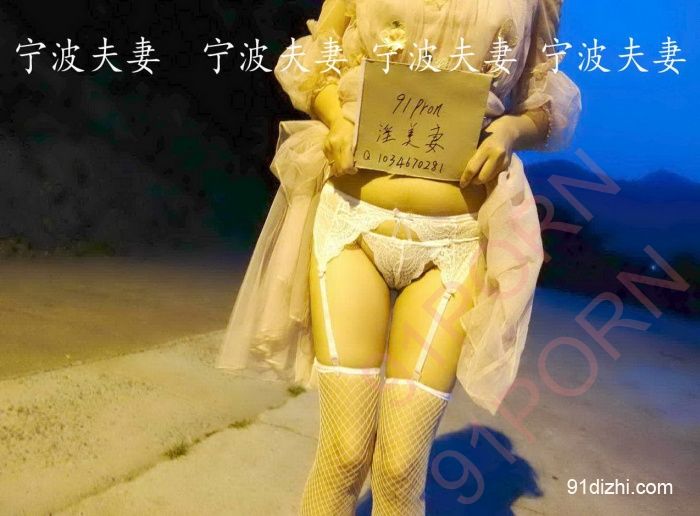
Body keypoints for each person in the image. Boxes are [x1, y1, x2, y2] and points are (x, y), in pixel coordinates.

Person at [216, 0, 581, 514]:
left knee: (401, 467)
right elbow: (316, 60)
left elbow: (543, 100)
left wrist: (510, 132)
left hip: (455, 239)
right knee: (344, 454)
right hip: (354, 221)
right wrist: (333, 118)